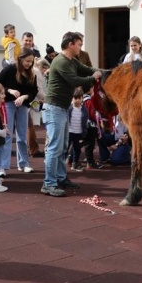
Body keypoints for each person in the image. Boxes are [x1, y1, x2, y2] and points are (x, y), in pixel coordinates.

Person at [41, 32, 101, 197]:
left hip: (61, 108)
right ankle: (48, 184)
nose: (80, 47)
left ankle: (60, 178)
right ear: (70, 45)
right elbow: (74, 80)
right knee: (54, 148)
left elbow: (88, 69)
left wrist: (103, 72)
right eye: (79, 44)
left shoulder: (71, 60)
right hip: (54, 109)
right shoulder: (60, 61)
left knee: (61, 146)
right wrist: (92, 77)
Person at [0, 49, 38, 174]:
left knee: (22, 136)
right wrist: (10, 91)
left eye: (31, 61)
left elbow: (33, 92)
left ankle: (23, 163)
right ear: (21, 58)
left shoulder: (31, 74)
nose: (29, 64)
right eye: (27, 61)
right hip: (8, 104)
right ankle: (2, 166)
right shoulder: (10, 69)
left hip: (23, 106)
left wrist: (24, 97)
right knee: (6, 134)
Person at [28, 58, 49, 157]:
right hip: (30, 100)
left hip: (29, 99)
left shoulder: (33, 70)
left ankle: (33, 148)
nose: (45, 74)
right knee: (29, 125)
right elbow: (39, 91)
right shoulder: (37, 73)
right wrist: (48, 98)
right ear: (43, 67)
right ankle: (33, 149)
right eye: (46, 71)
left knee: (28, 125)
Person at [67, 87, 90, 172]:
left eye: (79, 98)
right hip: (69, 132)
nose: (77, 100)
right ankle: (61, 163)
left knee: (77, 149)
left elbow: (85, 121)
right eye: (75, 98)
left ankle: (75, 163)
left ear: (82, 98)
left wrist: (84, 133)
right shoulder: (69, 108)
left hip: (79, 133)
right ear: (72, 98)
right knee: (66, 148)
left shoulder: (84, 110)